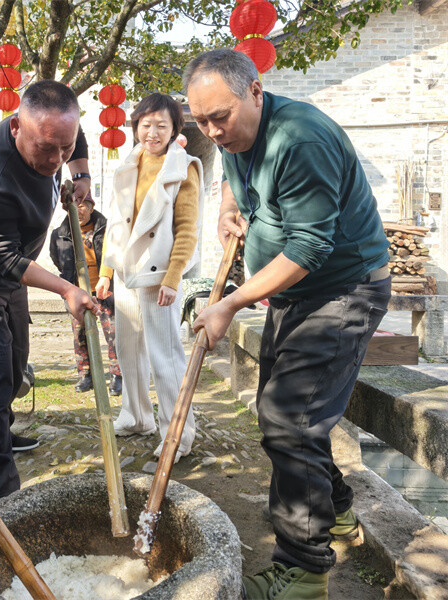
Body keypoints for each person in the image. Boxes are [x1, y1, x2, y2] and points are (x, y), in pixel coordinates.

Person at [186, 49, 391, 600]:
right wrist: (229, 206)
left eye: (219, 117)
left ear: (255, 90)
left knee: (289, 417)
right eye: (200, 121)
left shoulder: (300, 138)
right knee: (285, 412)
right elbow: (233, 175)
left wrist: (230, 304)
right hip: (291, 296)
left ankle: (302, 569)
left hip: (343, 290)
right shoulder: (234, 138)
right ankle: (339, 514)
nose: (212, 131)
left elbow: (309, 246)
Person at [0, 80, 98, 502]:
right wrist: (66, 289)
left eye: (63, 148)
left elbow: (73, 136)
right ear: (16, 127)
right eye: (46, 148)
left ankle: (1, 432)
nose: (55, 158)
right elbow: (4, 260)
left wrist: (79, 173)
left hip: (15, 269)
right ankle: (2, 492)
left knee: (16, 364)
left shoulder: (58, 129)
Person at [95, 93, 203, 464]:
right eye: (146, 123)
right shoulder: (128, 163)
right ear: (135, 125)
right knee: (128, 350)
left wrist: (174, 278)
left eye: (161, 125)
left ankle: (178, 432)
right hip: (126, 270)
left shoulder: (184, 168)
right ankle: (137, 415)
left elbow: (188, 229)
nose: (152, 132)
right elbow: (115, 223)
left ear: (175, 129)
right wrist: (106, 271)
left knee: (165, 356)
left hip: (160, 276)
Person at [49, 194, 121, 395]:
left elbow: (114, 254)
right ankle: (85, 375)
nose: (78, 210)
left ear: (91, 207)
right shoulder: (60, 233)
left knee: (113, 333)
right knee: (79, 335)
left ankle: (117, 375)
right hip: (77, 291)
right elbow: (57, 258)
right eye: (74, 206)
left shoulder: (106, 229)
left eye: (82, 205)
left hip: (105, 289)